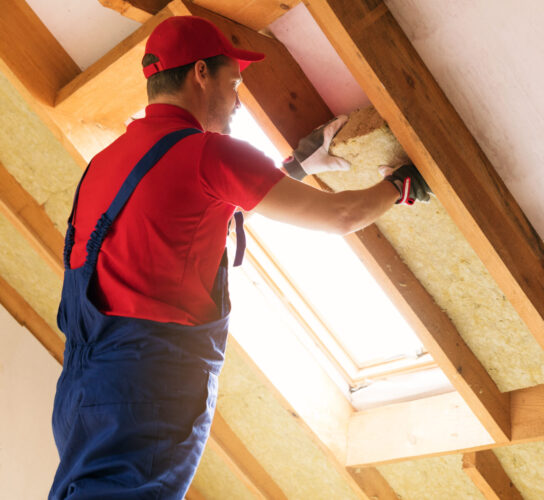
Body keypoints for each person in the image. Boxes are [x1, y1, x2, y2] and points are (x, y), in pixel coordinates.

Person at [49, 15, 430, 500]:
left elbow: (183, 212)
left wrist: (291, 168)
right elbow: (341, 216)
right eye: (235, 83)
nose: (237, 100)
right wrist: (400, 185)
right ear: (200, 75)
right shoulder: (212, 154)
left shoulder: (104, 162)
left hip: (82, 396)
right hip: (148, 388)